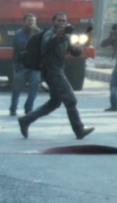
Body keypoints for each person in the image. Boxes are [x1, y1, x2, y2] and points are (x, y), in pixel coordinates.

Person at [18, 12, 93, 140]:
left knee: (54, 102)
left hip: (58, 69)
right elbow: (47, 45)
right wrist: (57, 36)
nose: (62, 23)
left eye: (64, 20)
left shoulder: (67, 35)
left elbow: (73, 52)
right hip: (51, 71)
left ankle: (26, 120)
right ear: (54, 22)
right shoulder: (50, 34)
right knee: (71, 100)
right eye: (59, 20)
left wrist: (79, 49)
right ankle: (79, 129)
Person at [7, 13, 41, 117]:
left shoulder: (39, 33)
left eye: (33, 21)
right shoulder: (18, 34)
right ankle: (13, 108)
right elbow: (20, 48)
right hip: (21, 66)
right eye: (29, 21)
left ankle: (28, 108)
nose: (31, 23)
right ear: (24, 22)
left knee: (34, 86)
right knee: (17, 88)